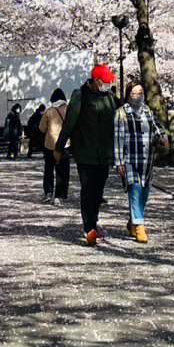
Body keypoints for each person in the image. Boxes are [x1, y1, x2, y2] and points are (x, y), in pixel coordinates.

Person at [55, 63, 117, 244]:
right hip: (85, 153)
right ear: (97, 80)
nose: (107, 84)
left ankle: (94, 223)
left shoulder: (108, 98)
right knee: (88, 190)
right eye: (105, 81)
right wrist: (59, 148)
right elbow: (69, 123)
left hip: (104, 155)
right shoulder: (80, 95)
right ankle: (89, 228)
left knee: (99, 192)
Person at [115, 79, 169, 243]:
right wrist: (118, 161)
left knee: (144, 193)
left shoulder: (147, 111)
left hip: (146, 160)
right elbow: (117, 138)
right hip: (130, 159)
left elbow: (155, 126)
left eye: (140, 93)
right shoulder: (121, 113)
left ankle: (133, 221)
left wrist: (162, 137)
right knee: (135, 191)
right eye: (134, 93)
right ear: (128, 95)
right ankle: (139, 227)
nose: (137, 97)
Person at [39, 88, 70, 204]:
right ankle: (59, 195)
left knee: (49, 169)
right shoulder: (68, 110)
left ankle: (48, 192)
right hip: (65, 145)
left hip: (50, 145)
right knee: (62, 171)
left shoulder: (49, 111)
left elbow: (42, 129)